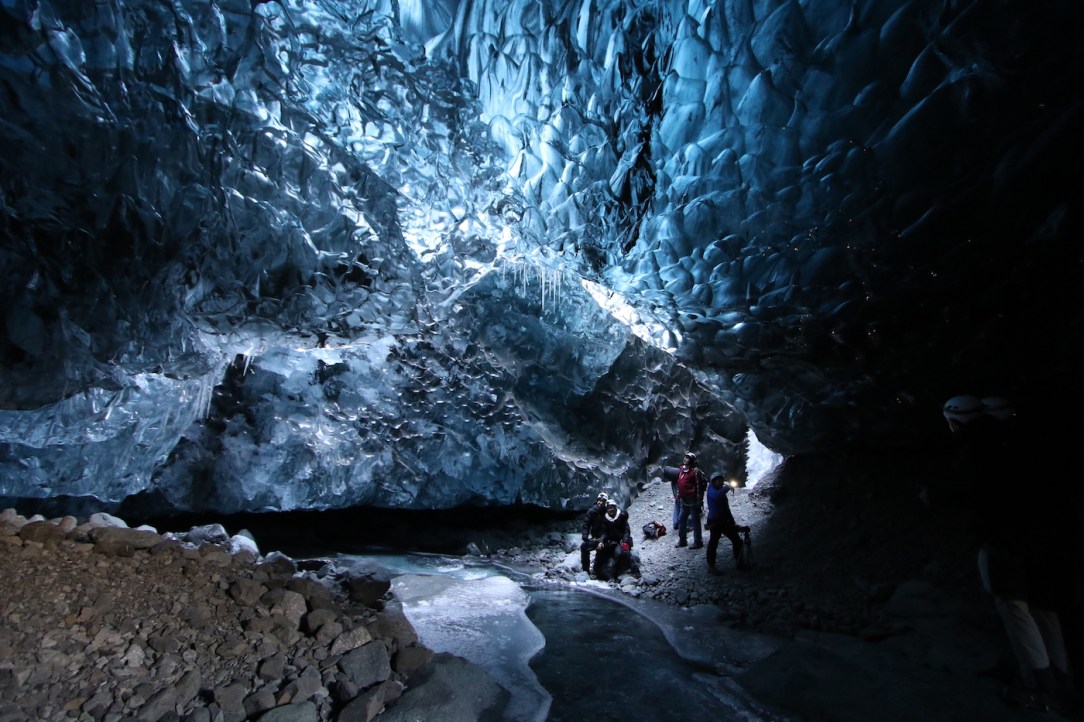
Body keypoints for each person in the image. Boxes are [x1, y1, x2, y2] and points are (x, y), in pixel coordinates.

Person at [924, 394, 1078, 714]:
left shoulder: (974, 451)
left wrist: (934, 496)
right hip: (1041, 538)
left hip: (1003, 541)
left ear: (954, 421)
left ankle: (1041, 689)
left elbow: (974, 492)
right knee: (1044, 609)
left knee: (1016, 610)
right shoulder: (1019, 440)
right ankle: (1063, 681)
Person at [660, 451, 707, 549]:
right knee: (681, 519)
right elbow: (680, 484)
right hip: (684, 499)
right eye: (685, 457)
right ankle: (682, 540)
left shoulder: (695, 471)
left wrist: (699, 501)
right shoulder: (682, 470)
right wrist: (679, 495)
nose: (685, 459)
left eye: (687, 458)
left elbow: (699, 487)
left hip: (693, 500)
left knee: (695, 521)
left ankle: (698, 541)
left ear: (691, 461)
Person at [704, 474, 749, 574]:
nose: (720, 482)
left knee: (737, 541)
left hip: (724, 521)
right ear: (713, 481)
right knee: (713, 543)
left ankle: (739, 563)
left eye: (721, 480)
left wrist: (732, 521)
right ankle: (711, 566)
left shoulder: (719, 491)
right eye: (718, 480)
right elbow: (717, 496)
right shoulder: (711, 491)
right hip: (715, 522)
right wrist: (728, 487)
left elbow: (726, 509)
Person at [592, 499, 636, 581]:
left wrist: (625, 540)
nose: (610, 510)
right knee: (599, 550)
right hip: (612, 541)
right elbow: (604, 532)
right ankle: (595, 571)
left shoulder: (621, 516)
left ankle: (635, 571)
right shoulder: (606, 519)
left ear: (615, 508)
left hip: (621, 540)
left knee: (622, 552)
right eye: (608, 508)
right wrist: (601, 541)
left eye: (611, 508)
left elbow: (627, 530)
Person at [580, 492, 609, 576]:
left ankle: (597, 570)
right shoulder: (591, 511)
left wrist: (603, 539)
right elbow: (586, 525)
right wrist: (585, 536)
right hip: (595, 538)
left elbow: (609, 528)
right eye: (599, 500)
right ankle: (586, 570)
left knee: (602, 551)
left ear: (605, 502)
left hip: (606, 539)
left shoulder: (608, 512)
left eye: (602, 501)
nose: (600, 502)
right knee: (584, 547)